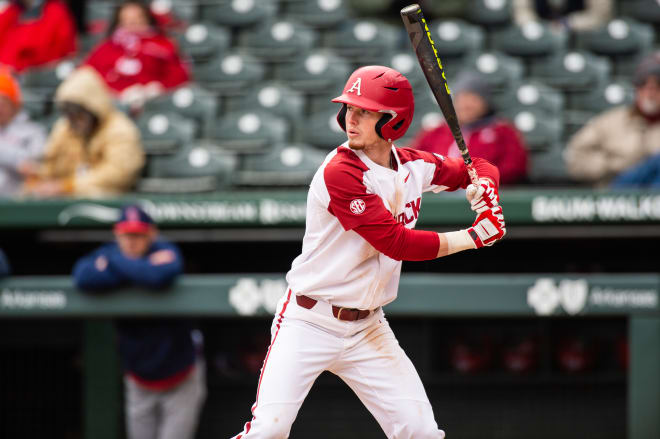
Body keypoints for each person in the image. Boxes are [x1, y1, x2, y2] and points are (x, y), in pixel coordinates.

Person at [231, 66, 506, 438]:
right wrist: (473, 236)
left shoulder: (413, 164)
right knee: (268, 432)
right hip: (309, 320)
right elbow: (396, 242)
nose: (351, 118)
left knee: (421, 432)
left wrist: (484, 186)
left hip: (367, 327)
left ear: (393, 121)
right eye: (349, 108)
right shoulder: (340, 172)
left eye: (365, 110)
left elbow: (479, 166)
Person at [72, 204, 206, 439]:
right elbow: (82, 276)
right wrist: (134, 266)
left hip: (181, 374)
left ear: (151, 234)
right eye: (126, 235)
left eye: (138, 234)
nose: (132, 241)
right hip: (139, 378)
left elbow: (158, 276)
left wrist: (113, 263)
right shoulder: (111, 251)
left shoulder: (164, 248)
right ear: (117, 235)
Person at [22, 66, 145, 197]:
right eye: (68, 113)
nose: (74, 119)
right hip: (65, 200)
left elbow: (119, 173)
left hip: (108, 201)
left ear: (92, 108)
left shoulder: (119, 129)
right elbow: (50, 165)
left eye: (78, 112)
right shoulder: (65, 127)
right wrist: (38, 176)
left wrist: (69, 186)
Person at [412, 71, 528, 185]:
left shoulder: (503, 131)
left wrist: (479, 179)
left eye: (473, 99)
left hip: (483, 195)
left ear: (485, 103)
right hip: (438, 195)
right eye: (461, 98)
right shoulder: (435, 132)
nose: (466, 105)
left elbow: (515, 167)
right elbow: (413, 163)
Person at [564, 51, 660, 187]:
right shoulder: (611, 121)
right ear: (636, 89)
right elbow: (574, 159)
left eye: (658, 86)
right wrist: (611, 163)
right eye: (643, 85)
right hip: (616, 193)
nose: (650, 93)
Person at [85, 0, 190, 108]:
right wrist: (115, 93)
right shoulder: (107, 47)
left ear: (147, 19)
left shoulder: (162, 45)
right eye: (127, 19)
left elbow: (179, 75)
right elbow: (87, 74)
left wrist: (157, 89)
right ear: (119, 22)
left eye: (137, 18)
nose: (133, 23)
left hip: (154, 104)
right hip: (112, 105)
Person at [0, 67, 46, 196]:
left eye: (4, 102)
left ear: (14, 105)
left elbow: (34, 164)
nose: (0, 107)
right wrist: (16, 161)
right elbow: (21, 162)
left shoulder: (33, 132)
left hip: (19, 200)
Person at [0, 0, 76, 72]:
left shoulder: (56, 11)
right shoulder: (11, 12)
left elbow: (66, 53)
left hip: (40, 77)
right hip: (7, 74)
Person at [512, 0, 613, 33]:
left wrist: (568, 23)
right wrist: (539, 26)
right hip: (540, 33)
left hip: (580, 37)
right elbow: (521, 12)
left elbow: (599, 15)